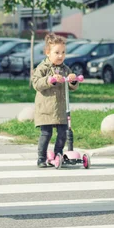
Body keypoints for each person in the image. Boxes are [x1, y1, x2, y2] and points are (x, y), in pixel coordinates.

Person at [31, 34, 80, 168]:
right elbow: (36, 83)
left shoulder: (65, 69)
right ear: (48, 53)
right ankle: (41, 158)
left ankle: (58, 154)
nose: (60, 56)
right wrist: (49, 80)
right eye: (57, 52)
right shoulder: (43, 68)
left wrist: (73, 79)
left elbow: (72, 86)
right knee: (46, 134)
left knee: (63, 133)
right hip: (46, 109)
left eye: (63, 52)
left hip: (61, 109)